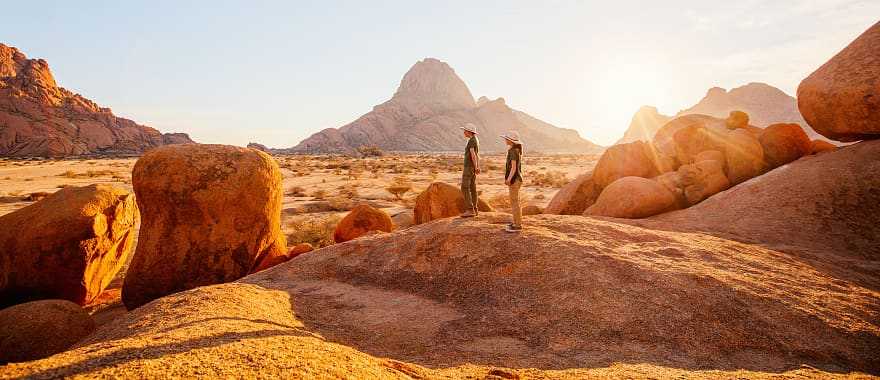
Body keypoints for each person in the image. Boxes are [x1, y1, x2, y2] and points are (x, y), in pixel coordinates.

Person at [501, 131, 524, 232]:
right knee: (516, 202)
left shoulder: (513, 151)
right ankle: (516, 222)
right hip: (518, 179)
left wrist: (509, 179)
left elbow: (513, 168)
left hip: (515, 180)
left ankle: (517, 225)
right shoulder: (516, 150)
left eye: (506, 138)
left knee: (514, 202)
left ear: (510, 140)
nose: (505, 140)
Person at [459, 123, 480, 217]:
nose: (463, 132)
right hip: (472, 167)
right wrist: (476, 167)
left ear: (469, 132)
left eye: (465, 131)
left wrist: (476, 167)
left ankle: (470, 209)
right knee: (472, 188)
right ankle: (475, 209)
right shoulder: (475, 140)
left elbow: (473, 154)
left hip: (469, 167)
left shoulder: (472, 141)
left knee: (464, 187)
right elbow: (476, 155)